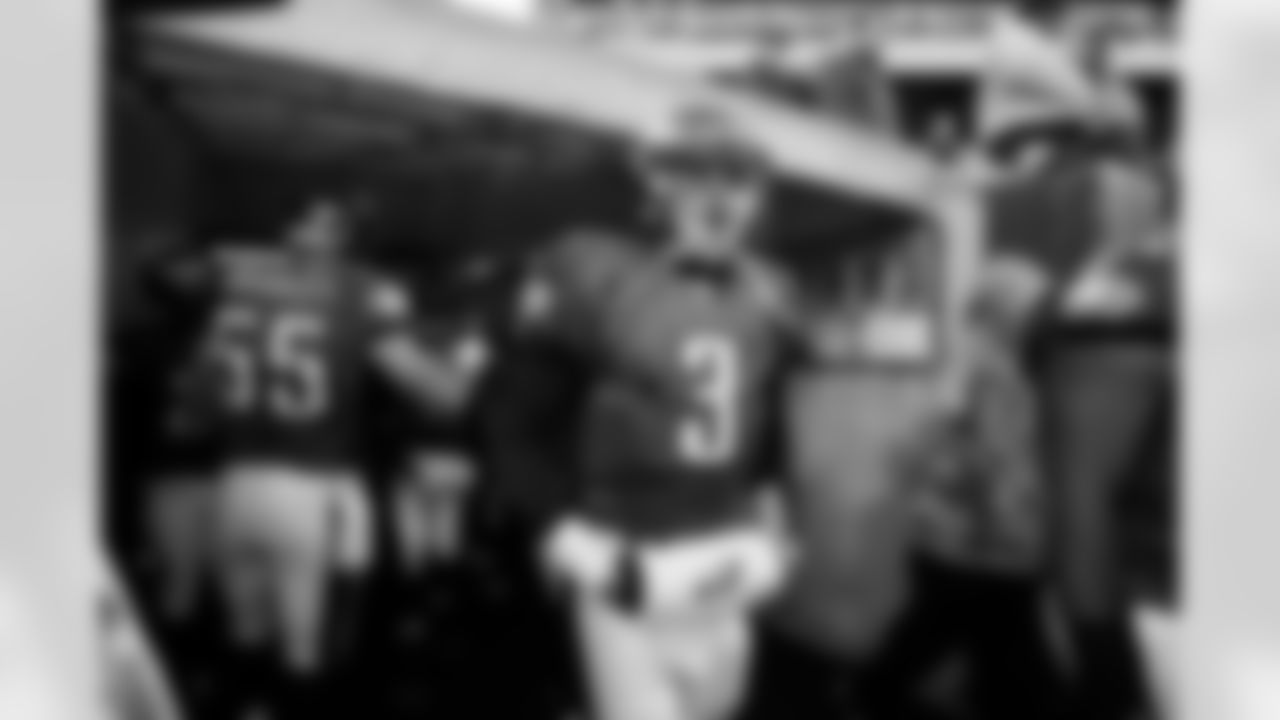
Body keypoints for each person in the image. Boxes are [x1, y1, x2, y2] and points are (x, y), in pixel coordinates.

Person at [483, 102, 887, 720]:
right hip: (625, 550)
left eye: (738, 180)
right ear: (657, 182)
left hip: (722, 559)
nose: (719, 198)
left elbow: (762, 418)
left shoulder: (768, 290)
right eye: (697, 174)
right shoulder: (598, 272)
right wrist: (560, 532)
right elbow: (510, 420)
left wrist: (775, 502)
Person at [161, 196, 477, 717]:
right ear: (344, 242)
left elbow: (188, 412)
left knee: (243, 636)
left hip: (234, 485)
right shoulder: (356, 295)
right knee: (305, 650)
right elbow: (441, 398)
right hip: (309, 489)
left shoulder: (235, 288)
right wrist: (467, 365)